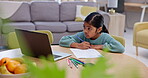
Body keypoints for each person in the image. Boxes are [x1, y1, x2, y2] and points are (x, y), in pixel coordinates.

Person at [59, 12, 125, 53]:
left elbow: (120, 48)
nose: (85, 31)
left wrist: (100, 46)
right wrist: (78, 45)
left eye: (89, 28)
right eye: (84, 27)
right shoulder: (82, 35)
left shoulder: (105, 37)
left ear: (99, 29)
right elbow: (62, 40)